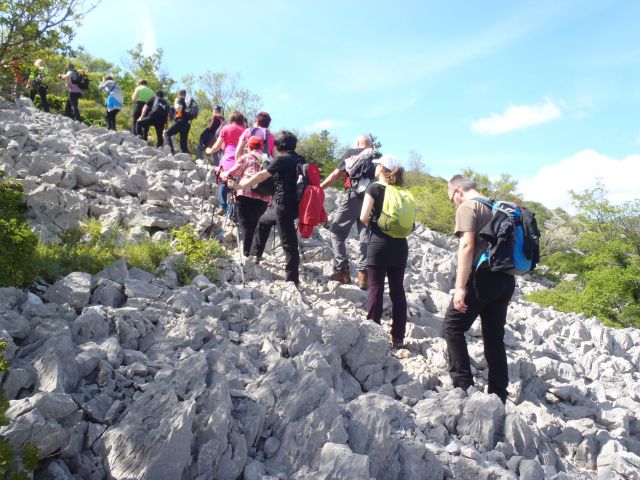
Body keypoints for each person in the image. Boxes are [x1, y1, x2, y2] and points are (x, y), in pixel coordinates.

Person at [443, 175, 516, 404]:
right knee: (494, 338)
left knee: (452, 326)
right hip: (505, 280)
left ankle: (463, 388)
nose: (454, 204)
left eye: (452, 199)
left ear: (457, 192)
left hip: (481, 278)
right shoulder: (503, 208)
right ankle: (498, 396)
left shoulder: (468, 206)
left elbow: (466, 246)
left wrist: (460, 288)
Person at [228, 130, 304, 285]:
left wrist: (240, 185)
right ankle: (255, 255)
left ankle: (292, 279)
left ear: (278, 145)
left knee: (288, 241)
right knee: (263, 222)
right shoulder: (300, 159)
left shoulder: (282, 160)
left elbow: (261, 176)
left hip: (283, 205)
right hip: (294, 204)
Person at [359, 155, 409, 348]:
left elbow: (364, 217)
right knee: (398, 291)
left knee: (376, 288)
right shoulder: (403, 192)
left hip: (379, 243)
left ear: (381, 169)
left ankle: (373, 332)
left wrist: (375, 221)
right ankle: (398, 336)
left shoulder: (374, 188)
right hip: (400, 246)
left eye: (377, 165)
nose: (375, 167)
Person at [320, 134, 377, 289]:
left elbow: (334, 176)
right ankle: (363, 274)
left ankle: (343, 270)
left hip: (354, 196)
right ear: (370, 145)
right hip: (372, 198)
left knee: (336, 232)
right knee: (365, 235)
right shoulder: (377, 156)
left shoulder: (351, 152)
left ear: (357, 143)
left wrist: (319, 189)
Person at [220, 135, 271, 258]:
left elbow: (232, 173)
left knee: (245, 225)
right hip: (263, 198)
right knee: (255, 225)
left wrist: (222, 173)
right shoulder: (268, 161)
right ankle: (256, 254)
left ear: (249, 146)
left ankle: (246, 253)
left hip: (245, 195)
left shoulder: (247, 157)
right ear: (261, 146)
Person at [207, 111, 246, 214]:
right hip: (240, 159)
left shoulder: (226, 128)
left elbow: (217, 146)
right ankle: (236, 211)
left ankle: (222, 205)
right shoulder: (245, 131)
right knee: (237, 184)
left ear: (231, 119)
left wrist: (209, 151)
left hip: (228, 158)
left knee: (223, 182)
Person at [164, 89, 194, 155]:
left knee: (167, 133)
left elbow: (178, 108)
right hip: (187, 124)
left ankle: (171, 151)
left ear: (179, 94)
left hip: (181, 122)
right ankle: (187, 158)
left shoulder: (180, 99)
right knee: (183, 143)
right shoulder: (190, 102)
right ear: (185, 94)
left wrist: (175, 102)